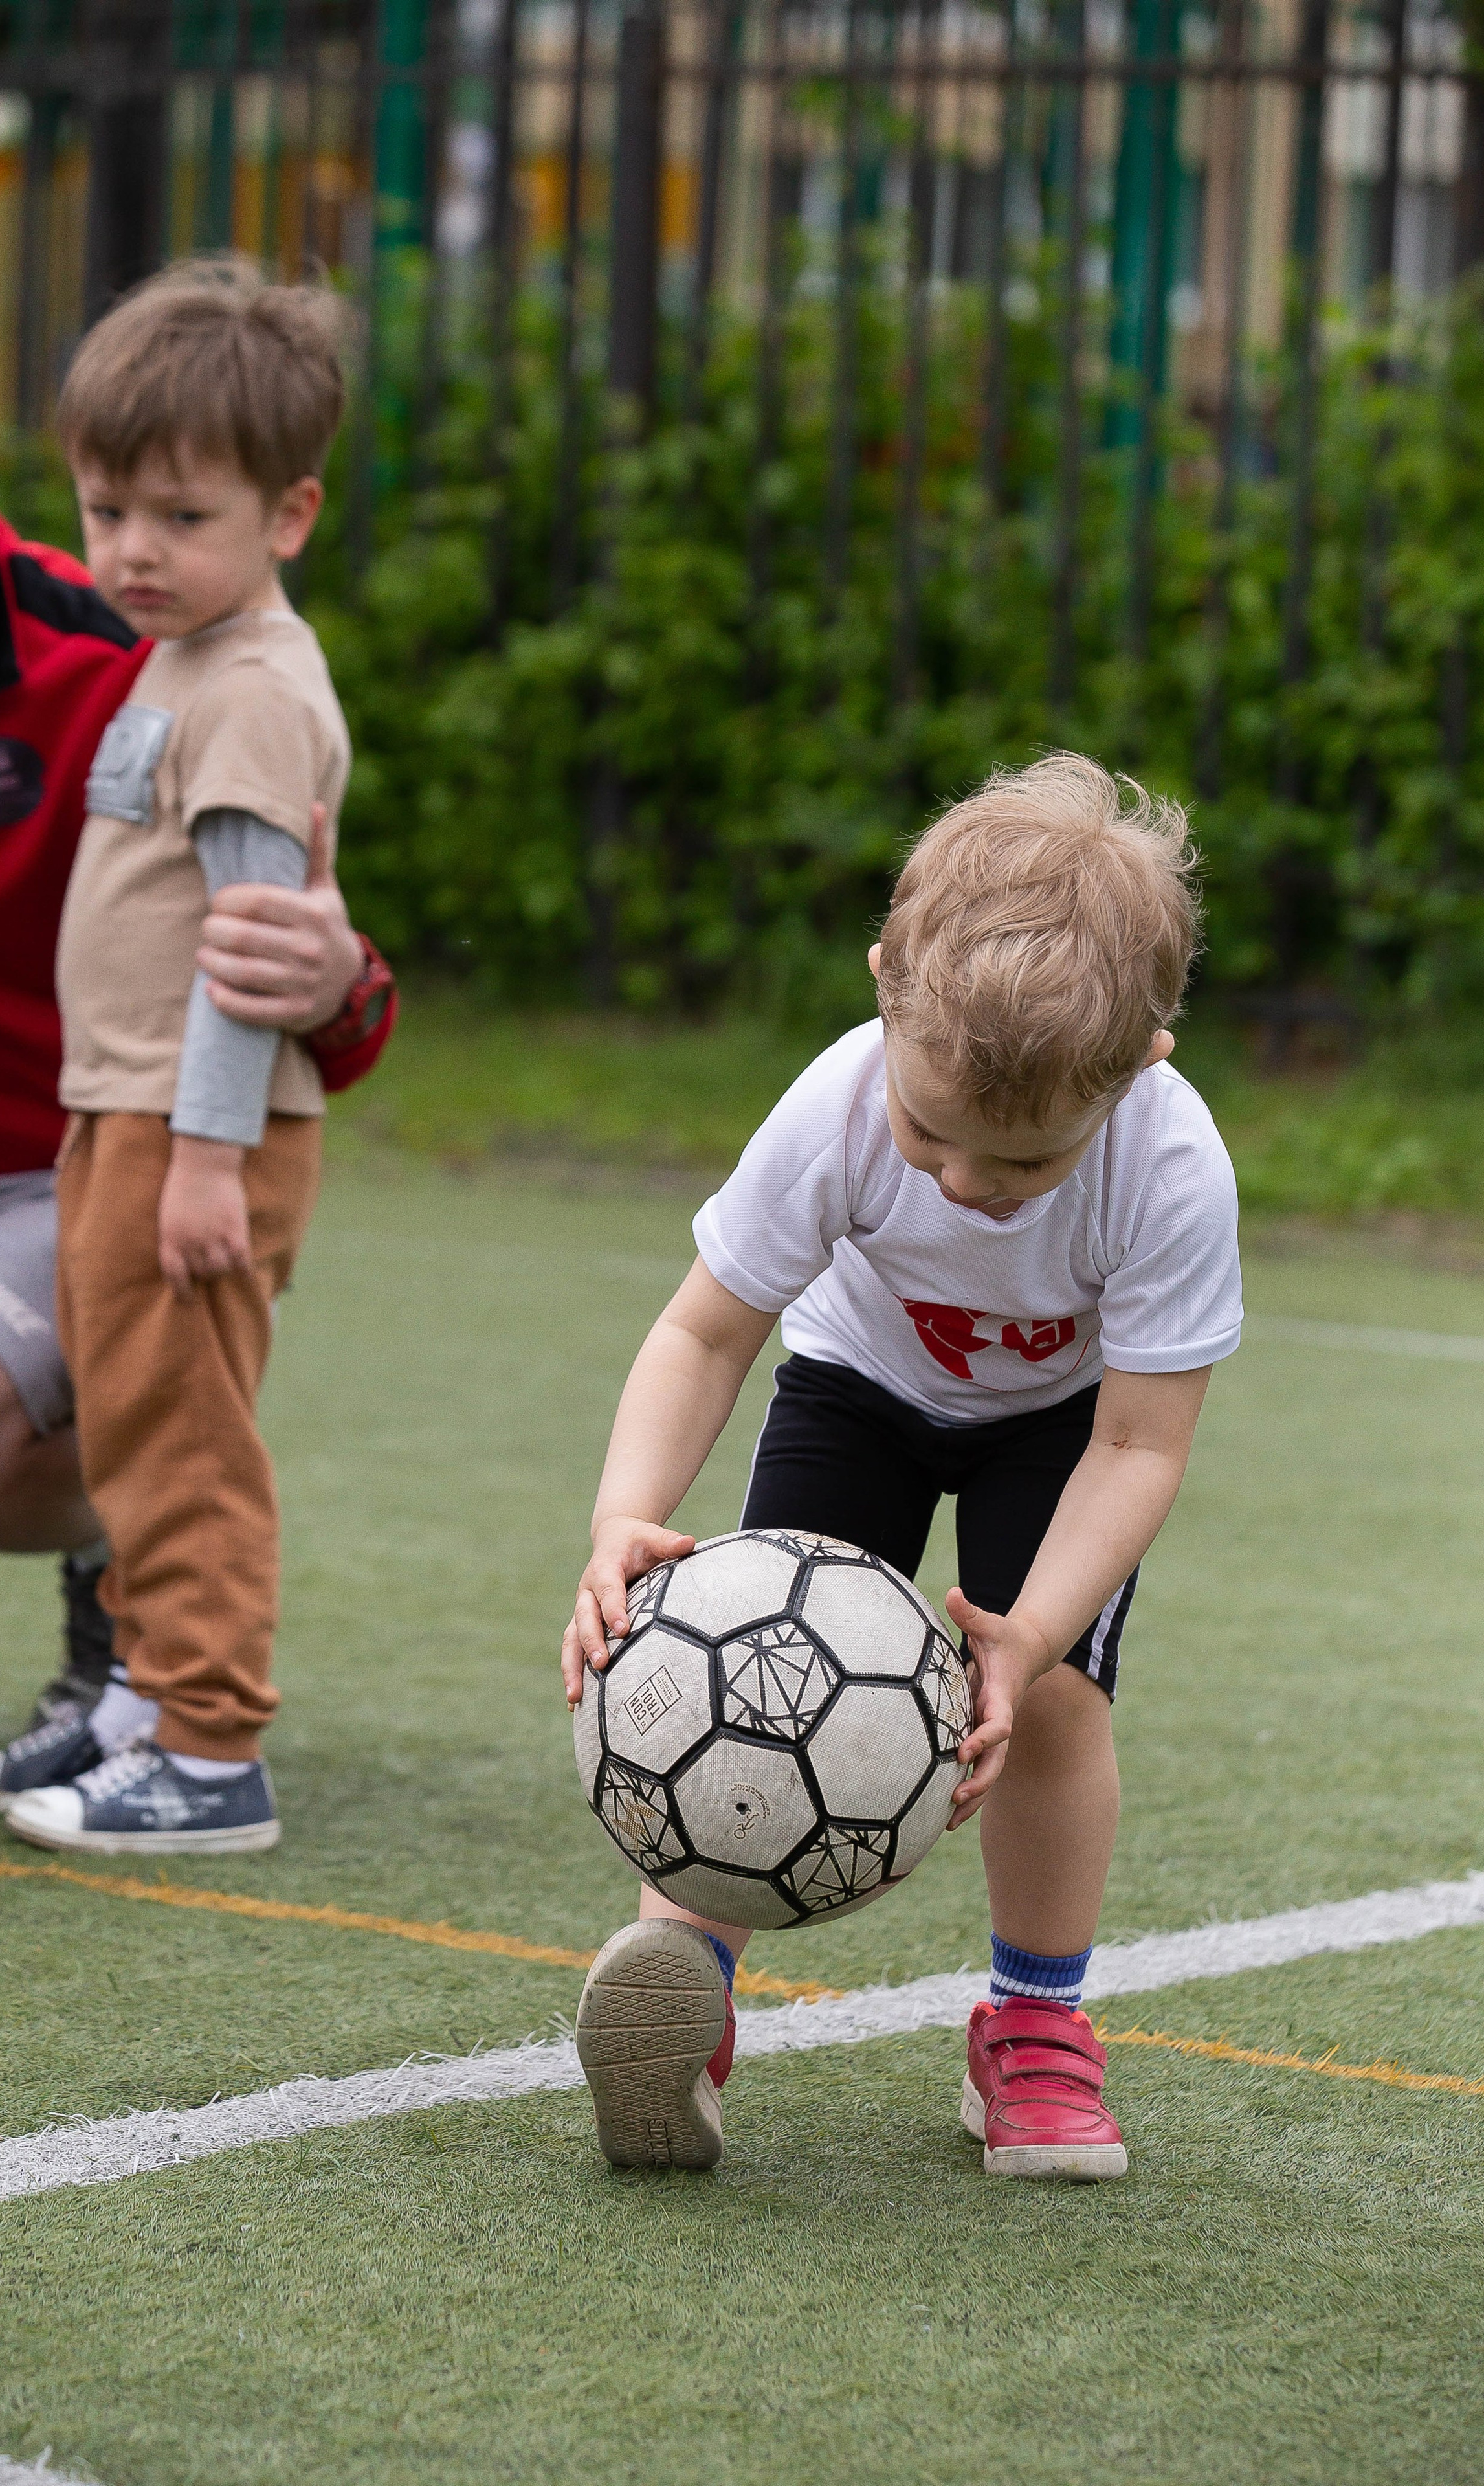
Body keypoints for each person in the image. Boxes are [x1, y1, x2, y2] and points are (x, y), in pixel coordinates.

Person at [560, 756, 1243, 2180]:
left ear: (1139, 1066)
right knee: (734, 1656)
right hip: (854, 1388)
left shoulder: (1170, 1166)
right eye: (928, 1136)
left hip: (1060, 1430)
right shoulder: (835, 1102)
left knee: (1048, 1703)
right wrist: (626, 1516)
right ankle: (680, 1986)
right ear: (885, 986)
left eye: (1024, 1164)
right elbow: (703, 1332)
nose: (963, 1188)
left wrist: (1029, 1634)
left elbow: (1138, 1441)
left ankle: (1035, 2027)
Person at [0, 289, 393, 1795]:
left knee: (90, 1421)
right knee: (145, 1412)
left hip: (102, 1158)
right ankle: (158, 1702)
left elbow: (287, 974)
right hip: (43, 1151)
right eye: (115, 510)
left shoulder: (152, 656)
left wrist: (330, 988)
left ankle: (178, 1700)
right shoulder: (182, 638)